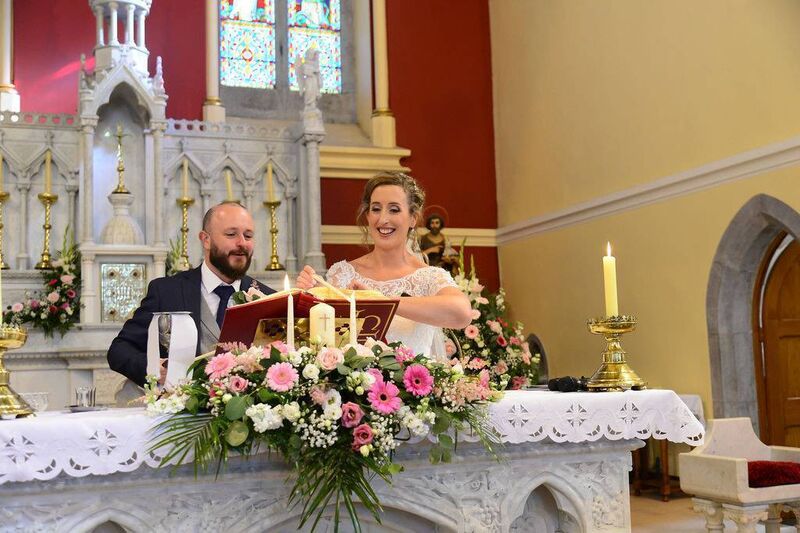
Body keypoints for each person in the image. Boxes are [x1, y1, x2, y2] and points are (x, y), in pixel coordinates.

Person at [296, 172, 472, 360]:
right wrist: (310, 298)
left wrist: (379, 301)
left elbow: (461, 313)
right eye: (376, 209)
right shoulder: (343, 274)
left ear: (413, 218)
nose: (382, 219)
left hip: (414, 385)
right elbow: (321, 340)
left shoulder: (429, 276)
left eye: (394, 210)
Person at [107, 201, 274, 386]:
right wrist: (153, 368)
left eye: (248, 235)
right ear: (206, 240)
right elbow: (119, 350)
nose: (242, 243)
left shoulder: (268, 298)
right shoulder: (167, 292)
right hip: (182, 411)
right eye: (231, 234)